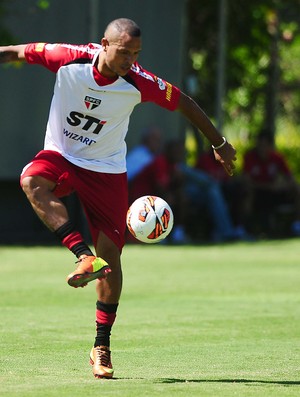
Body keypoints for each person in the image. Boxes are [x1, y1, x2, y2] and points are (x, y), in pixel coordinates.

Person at [0, 18, 236, 379]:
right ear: (103, 45)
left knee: (111, 257)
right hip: (62, 156)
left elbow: (184, 102)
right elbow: (16, 52)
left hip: (106, 170)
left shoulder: (139, 81)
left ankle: (101, 346)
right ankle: (83, 257)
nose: (130, 60)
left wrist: (219, 144)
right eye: (124, 52)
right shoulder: (68, 59)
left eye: (136, 54)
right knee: (31, 181)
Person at [243, 130, 300, 237]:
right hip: (257, 193)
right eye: (259, 145)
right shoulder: (249, 157)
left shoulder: (277, 157)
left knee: (297, 189)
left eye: (264, 145)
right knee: (246, 193)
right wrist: (267, 186)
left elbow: (290, 179)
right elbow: (246, 182)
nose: (261, 148)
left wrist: (281, 185)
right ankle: (246, 229)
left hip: (274, 193)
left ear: (270, 146)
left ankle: (297, 225)